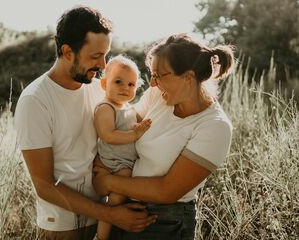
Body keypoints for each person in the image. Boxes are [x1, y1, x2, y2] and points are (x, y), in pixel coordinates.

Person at [14, 6, 156, 240]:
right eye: (95, 56)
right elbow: (44, 185)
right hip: (63, 227)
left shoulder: (100, 90)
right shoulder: (35, 101)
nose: (103, 65)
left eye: (105, 55)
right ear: (68, 51)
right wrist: (111, 215)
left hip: (106, 217)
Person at [93, 33, 235, 240]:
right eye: (152, 74)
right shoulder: (158, 96)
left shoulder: (214, 127)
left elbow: (166, 190)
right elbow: (124, 127)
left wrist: (107, 182)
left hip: (164, 223)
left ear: (188, 77)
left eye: (160, 76)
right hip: (123, 207)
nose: (152, 83)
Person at [93, 55, 152, 240]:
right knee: (115, 200)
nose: (125, 88)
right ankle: (100, 237)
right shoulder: (106, 107)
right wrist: (134, 134)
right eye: (118, 81)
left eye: (131, 84)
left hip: (123, 162)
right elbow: (107, 135)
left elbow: (136, 124)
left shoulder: (128, 108)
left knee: (126, 195)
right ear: (104, 84)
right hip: (113, 164)